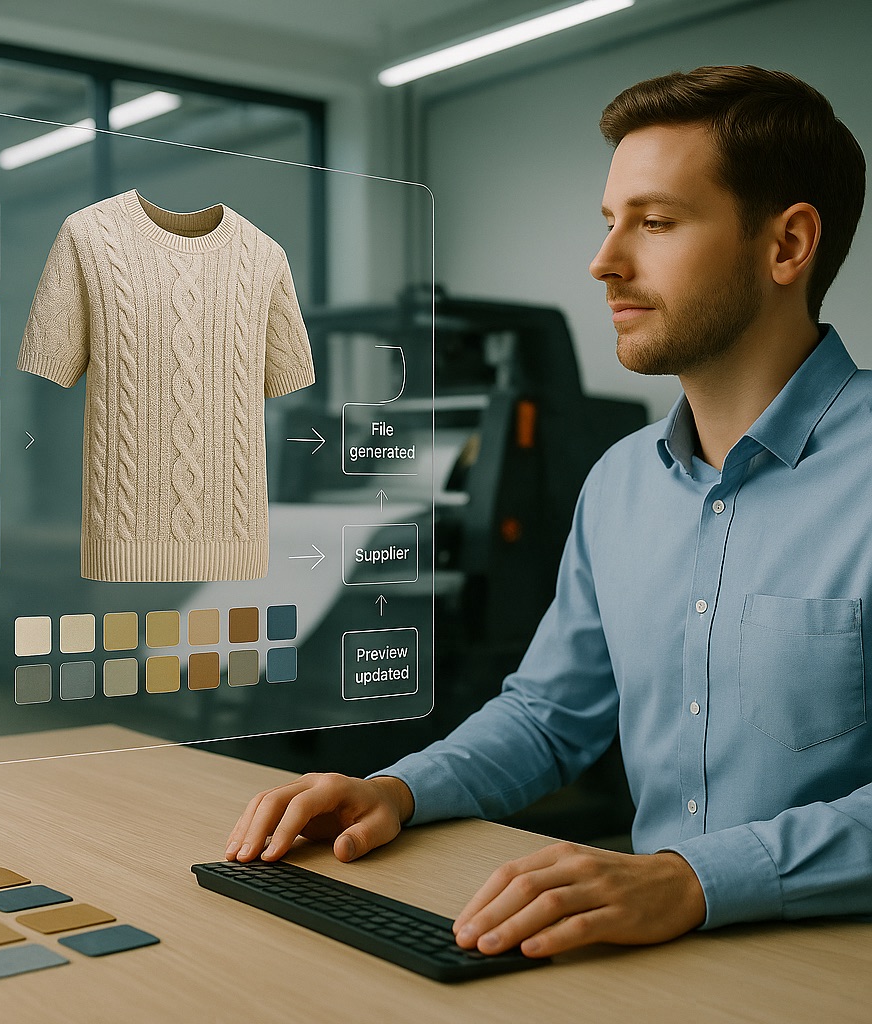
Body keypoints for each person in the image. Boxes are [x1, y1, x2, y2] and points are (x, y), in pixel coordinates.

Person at [226, 65, 872, 959]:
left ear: (788, 245)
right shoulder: (619, 484)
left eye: (655, 222)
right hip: (656, 964)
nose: (605, 260)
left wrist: (693, 878)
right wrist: (398, 791)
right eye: (609, 222)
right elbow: (548, 716)